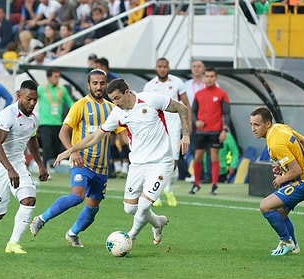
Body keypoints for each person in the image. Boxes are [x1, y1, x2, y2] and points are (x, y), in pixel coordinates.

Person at [54, 78, 191, 246]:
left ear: (127, 92)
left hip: (161, 163)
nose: (115, 103)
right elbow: (96, 136)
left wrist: (186, 135)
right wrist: (70, 150)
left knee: (144, 204)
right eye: (112, 100)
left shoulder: (150, 99)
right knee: (130, 208)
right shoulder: (118, 113)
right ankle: (157, 222)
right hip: (137, 165)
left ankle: (130, 237)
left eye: (117, 98)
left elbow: (181, 108)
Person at [30, 69, 124, 247]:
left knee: (92, 210)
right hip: (82, 162)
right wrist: (73, 152)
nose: (98, 86)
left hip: (102, 168)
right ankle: (41, 219)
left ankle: (72, 233)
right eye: (94, 83)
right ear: (88, 85)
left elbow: (123, 133)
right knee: (76, 196)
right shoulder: (80, 105)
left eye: (102, 83)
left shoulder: (113, 109)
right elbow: (63, 132)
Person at [0, 80, 49, 254]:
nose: (32, 103)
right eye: (28, 99)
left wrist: (41, 165)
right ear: (19, 96)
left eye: (35, 99)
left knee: (29, 199)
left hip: (17, 164)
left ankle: (13, 243)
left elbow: (32, 141)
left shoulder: (34, 119)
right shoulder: (8, 115)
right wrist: (9, 169)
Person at [249, 106, 304, 256]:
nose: (253, 129)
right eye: (251, 124)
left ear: (267, 124)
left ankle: (286, 241)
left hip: (303, 183)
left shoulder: (275, 143)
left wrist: (282, 178)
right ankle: (294, 246)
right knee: (280, 212)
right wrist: (287, 166)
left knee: (265, 206)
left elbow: (296, 170)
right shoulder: (280, 127)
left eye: (257, 125)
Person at [142, 57, 184, 207]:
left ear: (169, 67)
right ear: (156, 68)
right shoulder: (149, 86)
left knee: (173, 160)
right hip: (157, 127)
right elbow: (145, 108)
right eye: (159, 66)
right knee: (156, 159)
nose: (162, 69)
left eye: (165, 66)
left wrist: (187, 127)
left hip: (174, 126)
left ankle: (169, 189)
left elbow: (186, 105)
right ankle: (155, 192)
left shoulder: (177, 83)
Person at [189, 67, 231, 195]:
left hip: (215, 131)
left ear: (216, 78)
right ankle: (196, 184)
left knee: (214, 157)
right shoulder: (198, 94)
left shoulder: (222, 94)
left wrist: (224, 130)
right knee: (197, 158)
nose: (209, 79)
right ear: (203, 78)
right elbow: (193, 112)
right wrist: (196, 122)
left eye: (212, 76)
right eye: (207, 76)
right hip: (201, 131)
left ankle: (214, 185)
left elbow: (227, 113)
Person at [36, 67, 74, 168]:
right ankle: (43, 167)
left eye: (58, 77)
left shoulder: (62, 90)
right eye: (55, 77)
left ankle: (55, 167)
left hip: (58, 123)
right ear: (48, 78)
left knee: (57, 147)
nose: (57, 79)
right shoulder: (41, 89)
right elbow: (32, 99)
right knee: (46, 146)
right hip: (45, 122)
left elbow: (70, 103)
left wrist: (78, 110)